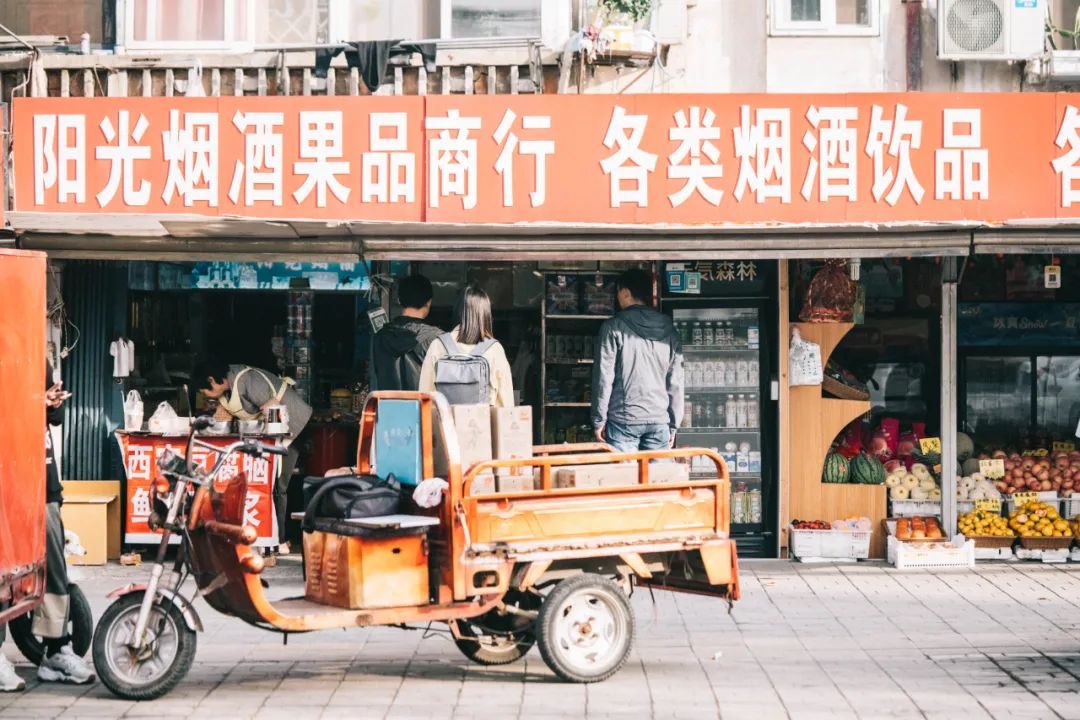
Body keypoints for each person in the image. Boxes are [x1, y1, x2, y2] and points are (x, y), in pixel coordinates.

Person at [0, 365, 95, 691]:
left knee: (53, 566)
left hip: (42, 477)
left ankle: (56, 650)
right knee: (4, 568)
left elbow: (56, 418)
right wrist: (31, 403)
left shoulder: (36, 360)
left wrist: (51, 403)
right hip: (6, 476)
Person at [199, 362, 312, 555]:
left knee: (278, 484)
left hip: (293, 425)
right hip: (272, 434)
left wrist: (271, 440)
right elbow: (221, 419)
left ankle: (281, 540)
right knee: (269, 483)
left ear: (212, 381)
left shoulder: (246, 379)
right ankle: (275, 537)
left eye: (206, 391)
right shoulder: (225, 392)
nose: (207, 396)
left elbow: (273, 408)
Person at [591, 268, 684, 453]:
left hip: (623, 419)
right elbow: (675, 381)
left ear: (626, 292)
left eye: (618, 292)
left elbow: (604, 377)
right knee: (658, 472)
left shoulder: (613, 327)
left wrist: (599, 419)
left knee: (625, 471)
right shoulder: (670, 330)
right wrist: (674, 425)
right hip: (659, 420)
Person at [419, 285, 514, 407]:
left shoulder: (438, 345)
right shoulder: (494, 349)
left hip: (444, 419)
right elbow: (506, 405)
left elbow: (424, 396)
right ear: (485, 314)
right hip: (483, 419)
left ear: (458, 311)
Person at [370, 274, 443, 392]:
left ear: (399, 300)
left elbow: (374, 378)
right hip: (424, 404)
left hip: (387, 404)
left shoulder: (380, 337)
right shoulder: (436, 339)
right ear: (428, 302)